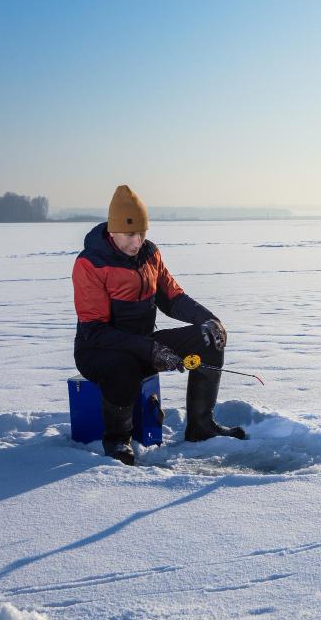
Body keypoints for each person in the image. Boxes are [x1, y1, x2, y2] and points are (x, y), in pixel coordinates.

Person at [72, 185, 246, 465]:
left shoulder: (149, 254)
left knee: (207, 339)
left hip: (144, 345)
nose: (137, 242)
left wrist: (208, 319)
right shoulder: (91, 263)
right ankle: (118, 440)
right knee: (123, 365)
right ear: (113, 231)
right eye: (130, 235)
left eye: (142, 233)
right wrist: (149, 349)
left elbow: (173, 298)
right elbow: (95, 331)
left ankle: (201, 426)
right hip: (99, 351)